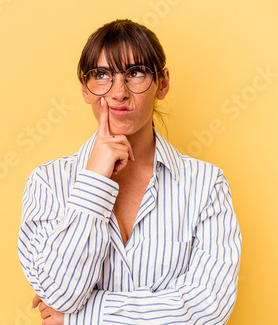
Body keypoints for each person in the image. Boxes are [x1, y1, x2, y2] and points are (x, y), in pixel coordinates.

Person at [18, 19, 241, 325]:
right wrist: (94, 180)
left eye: (135, 73)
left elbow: (209, 308)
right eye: (101, 75)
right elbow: (61, 295)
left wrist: (83, 316)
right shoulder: (47, 183)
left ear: (162, 83)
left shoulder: (206, 185)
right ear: (85, 89)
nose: (118, 92)